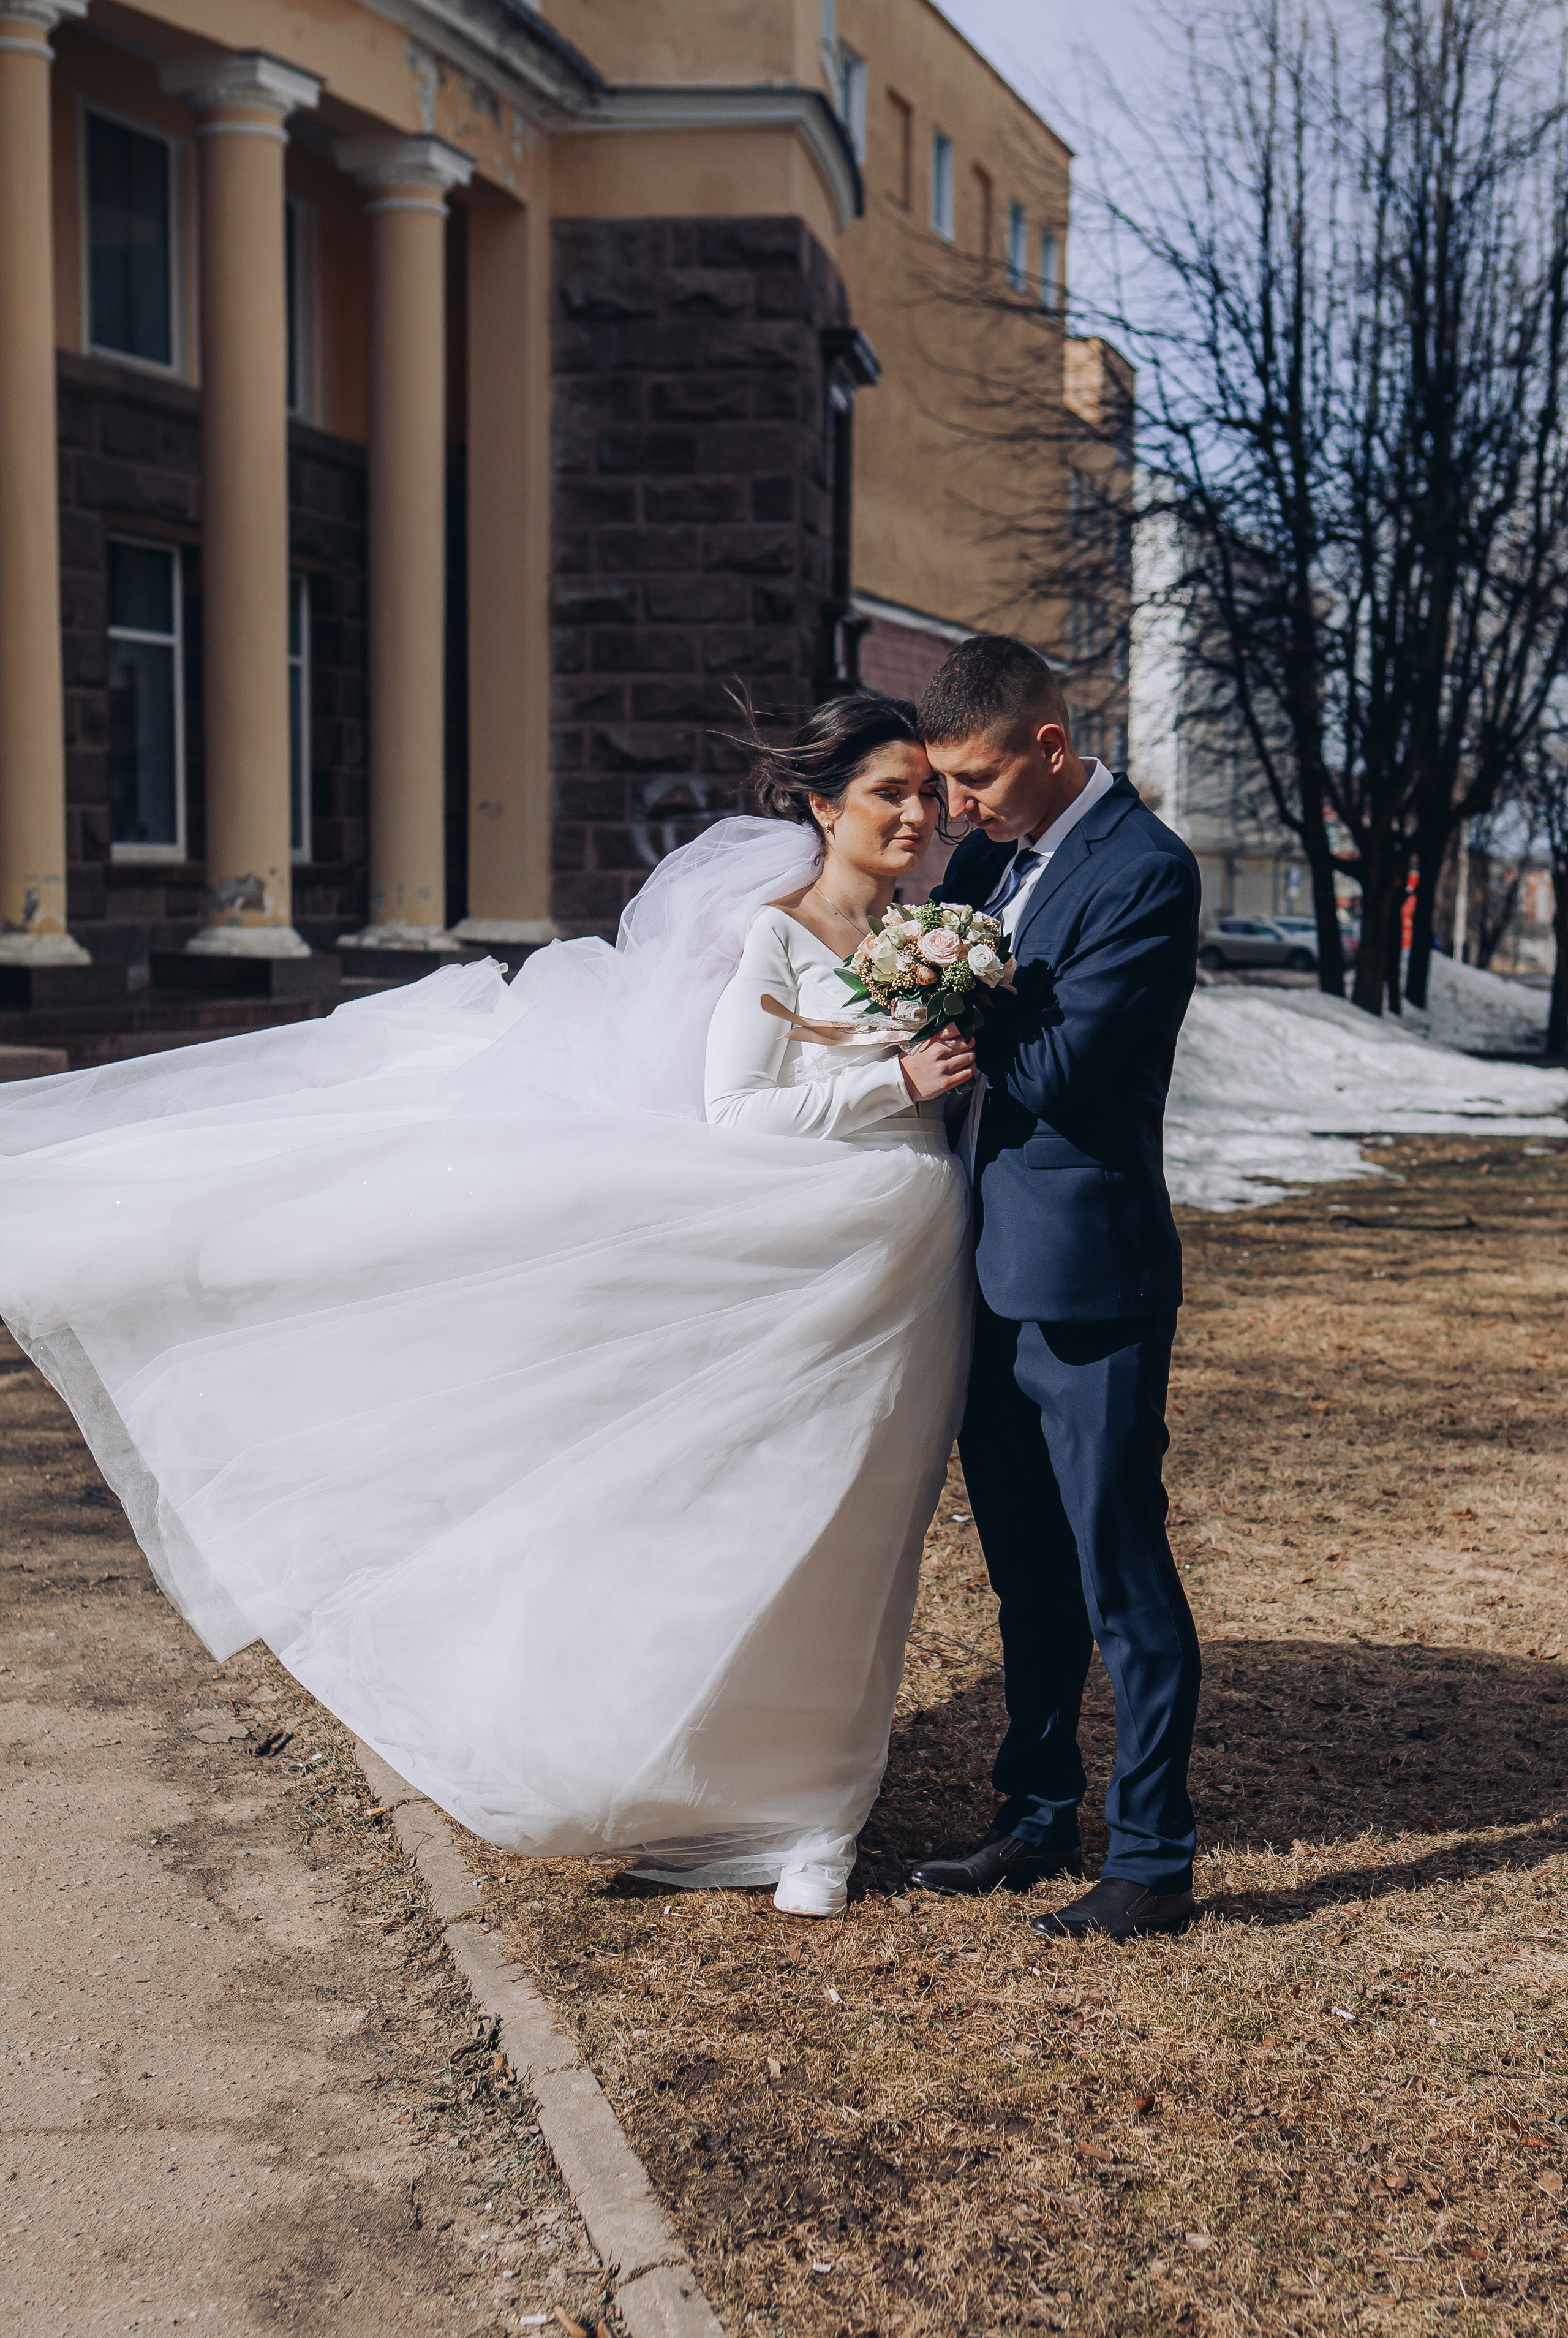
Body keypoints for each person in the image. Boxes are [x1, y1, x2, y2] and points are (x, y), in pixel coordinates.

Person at [0, 692, 978, 1921]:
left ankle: (819, 1809)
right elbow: (737, 1117)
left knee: (867, 1541)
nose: (917, 814)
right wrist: (891, 1082)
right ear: (823, 806)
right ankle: (757, 1802)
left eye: (928, 794)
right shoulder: (770, 942)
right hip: (808, 1250)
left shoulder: (934, 934)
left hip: (908, 1261)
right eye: (891, 792)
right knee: (777, 1522)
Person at [908, 635, 1205, 1943]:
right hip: (977, 1269)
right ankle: (1032, 1813)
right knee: (1026, 1574)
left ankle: (1151, 1861)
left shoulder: (1144, 869)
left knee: (1116, 1568)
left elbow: (1068, 1074)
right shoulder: (982, 863)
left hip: (1086, 1280)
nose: (950, 812)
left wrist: (951, 996)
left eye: (972, 780)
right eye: (939, 783)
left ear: (1046, 744)